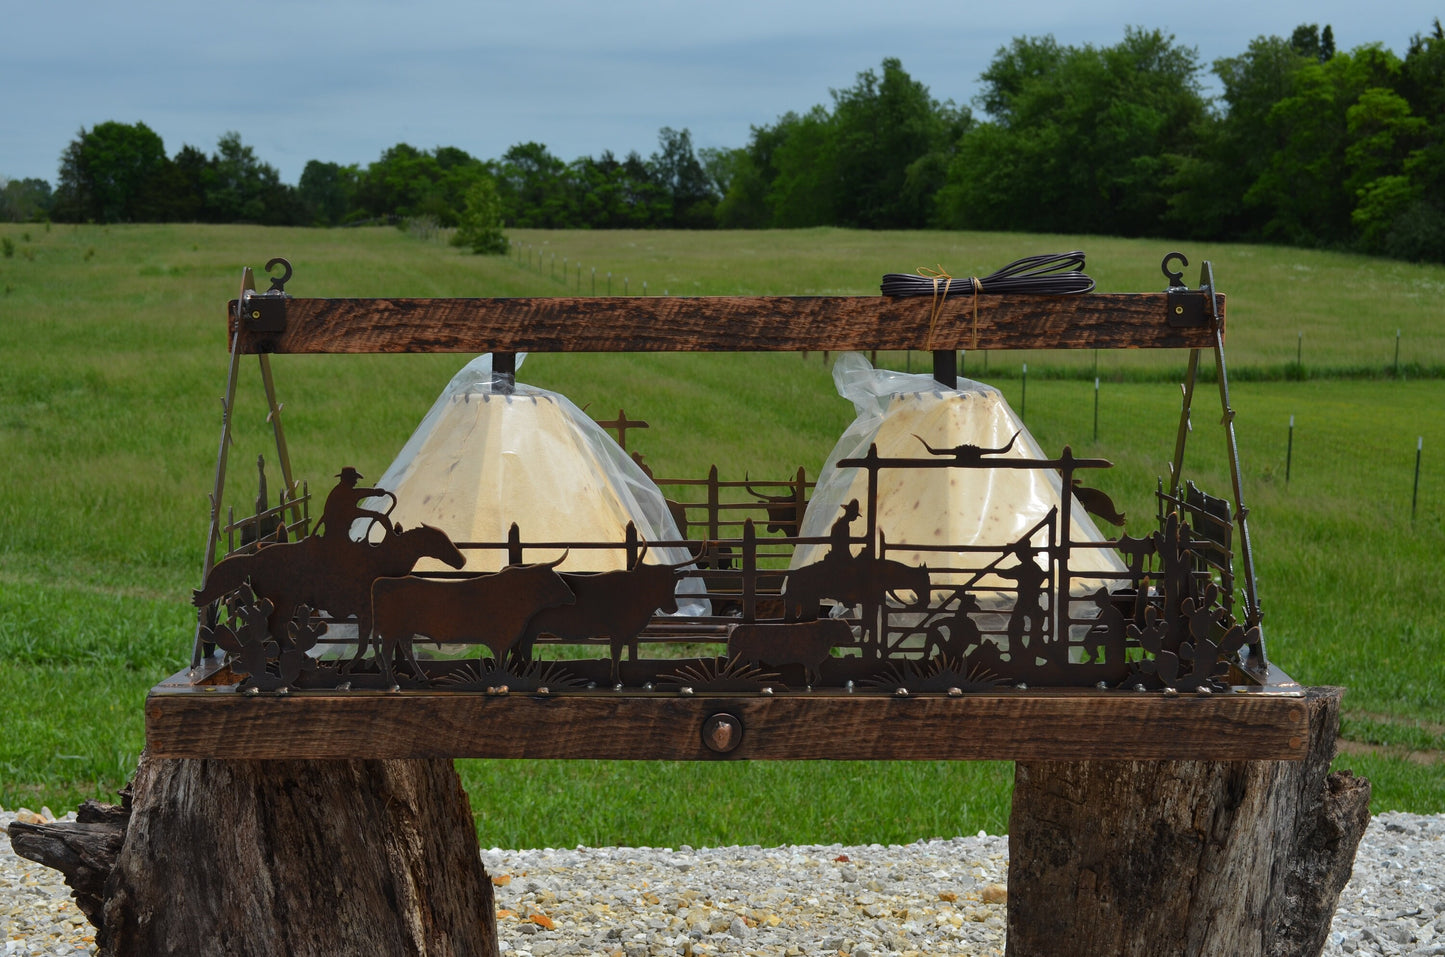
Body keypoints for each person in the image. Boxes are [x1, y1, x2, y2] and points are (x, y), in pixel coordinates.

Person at [314, 467, 392, 542]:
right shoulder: (343, 493)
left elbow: (358, 493)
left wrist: (375, 492)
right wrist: (375, 492)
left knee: (377, 515)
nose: (356, 482)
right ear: (348, 479)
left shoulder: (339, 490)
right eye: (354, 479)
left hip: (340, 529)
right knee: (378, 515)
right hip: (338, 533)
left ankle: (391, 535)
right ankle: (392, 536)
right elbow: (357, 493)